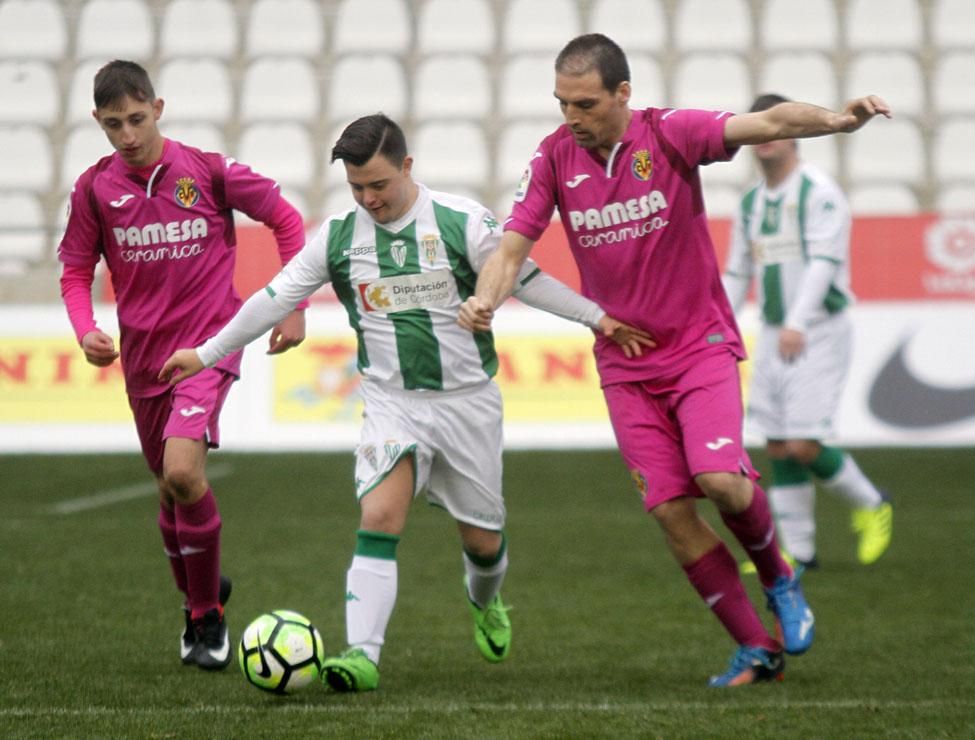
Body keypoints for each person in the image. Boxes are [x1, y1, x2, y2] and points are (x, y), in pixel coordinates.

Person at [158, 113, 653, 693]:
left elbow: (525, 276)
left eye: (379, 185)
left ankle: (485, 599)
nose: (369, 199)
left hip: (467, 404)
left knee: (483, 543)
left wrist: (597, 318)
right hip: (392, 404)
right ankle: (361, 656)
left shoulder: (460, 221)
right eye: (356, 188)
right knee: (380, 517)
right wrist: (207, 352)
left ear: (407, 168)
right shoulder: (340, 235)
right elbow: (275, 296)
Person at [459, 33, 892, 687]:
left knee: (719, 479)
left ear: (622, 94)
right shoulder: (552, 159)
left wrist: (837, 120)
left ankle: (779, 575)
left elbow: (769, 122)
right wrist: (484, 300)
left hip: (698, 347)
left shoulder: (670, 135)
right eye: (561, 103)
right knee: (669, 511)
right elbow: (513, 247)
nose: (570, 117)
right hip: (625, 363)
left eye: (584, 103)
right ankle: (755, 646)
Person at [57, 60, 308, 671]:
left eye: (137, 119)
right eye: (113, 124)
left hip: (207, 346)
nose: (127, 136)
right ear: (98, 121)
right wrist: (87, 329)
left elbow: (287, 220)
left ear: (159, 108)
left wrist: (292, 306)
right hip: (142, 358)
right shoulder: (95, 189)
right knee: (169, 490)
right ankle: (202, 591)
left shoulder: (208, 172)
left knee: (183, 473)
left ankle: (204, 618)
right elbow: (72, 268)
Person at [723, 93, 893, 570]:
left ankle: (872, 502)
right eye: (758, 130)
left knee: (803, 442)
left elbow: (824, 262)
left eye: (774, 128)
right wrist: (718, 325)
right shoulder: (752, 202)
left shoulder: (818, 191)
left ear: (793, 132)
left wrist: (797, 322)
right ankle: (797, 551)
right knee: (777, 443)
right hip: (776, 331)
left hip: (817, 330)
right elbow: (738, 271)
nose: (765, 140)